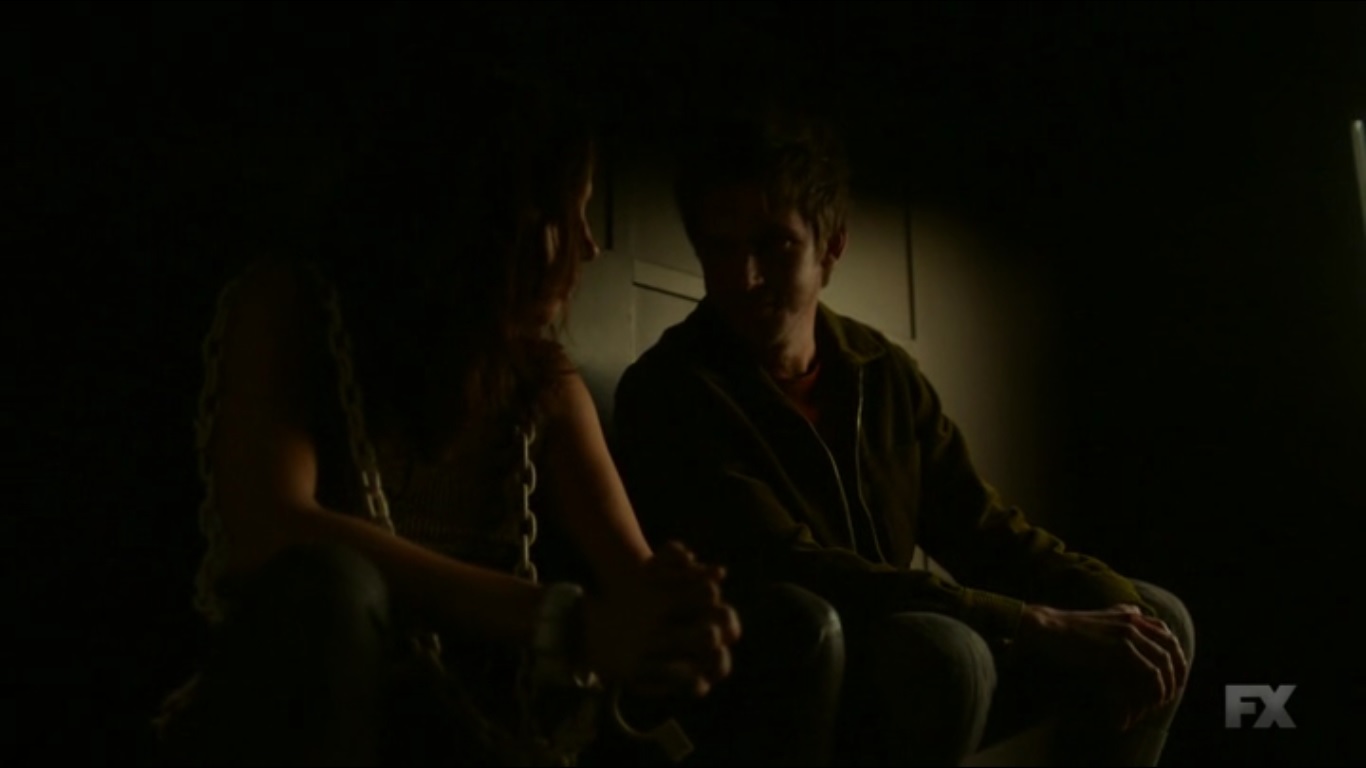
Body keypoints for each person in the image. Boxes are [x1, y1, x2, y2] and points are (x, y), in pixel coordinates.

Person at [152, 69, 747, 767]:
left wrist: (680, 618)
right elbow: (270, 528)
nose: (589, 247)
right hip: (299, 708)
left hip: (468, 723)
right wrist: (562, 622)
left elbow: (633, 579)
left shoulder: (545, 381)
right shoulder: (292, 307)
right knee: (334, 590)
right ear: (501, 219)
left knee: (794, 629)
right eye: (571, 214)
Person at [612, 101, 1195, 766]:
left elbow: (980, 527)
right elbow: (795, 567)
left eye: (774, 245)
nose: (744, 277)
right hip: (779, 678)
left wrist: (1119, 609)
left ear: (831, 246)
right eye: (721, 248)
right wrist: (1033, 622)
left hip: (898, 652)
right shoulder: (670, 390)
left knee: (1161, 620)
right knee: (949, 652)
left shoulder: (878, 369)